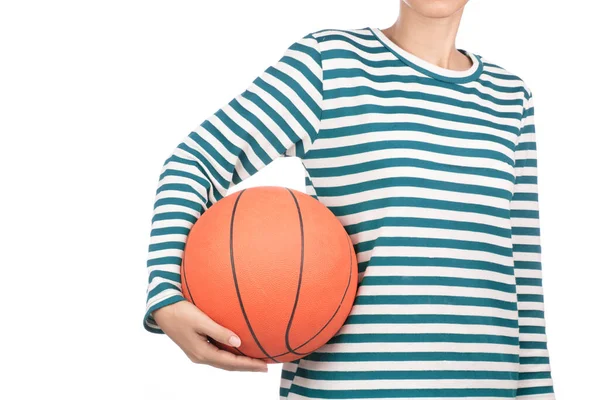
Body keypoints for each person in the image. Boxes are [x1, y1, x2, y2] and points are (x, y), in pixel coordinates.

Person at [144, 0, 556, 398]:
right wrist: (165, 295)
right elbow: (194, 163)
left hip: (488, 388)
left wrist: (538, 392)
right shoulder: (329, 64)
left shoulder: (510, 96)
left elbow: (521, 262)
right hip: (346, 389)